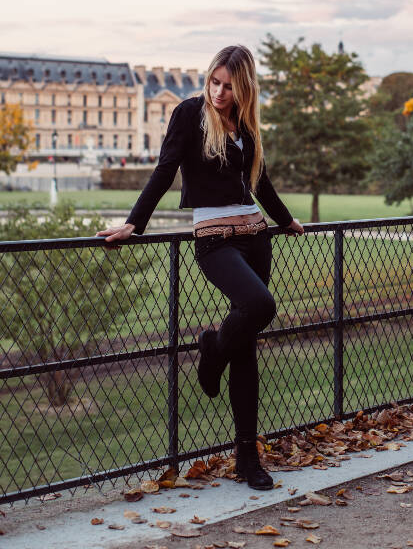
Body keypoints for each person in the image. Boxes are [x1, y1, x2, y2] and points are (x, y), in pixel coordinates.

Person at [97, 45, 304, 490]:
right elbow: (164, 168)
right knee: (260, 305)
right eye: (215, 82)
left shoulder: (245, 121)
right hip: (214, 241)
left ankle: (247, 459)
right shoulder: (189, 114)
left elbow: (259, 180)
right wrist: (135, 222)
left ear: (244, 86)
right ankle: (211, 351)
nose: (219, 92)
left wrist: (285, 220)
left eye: (229, 86)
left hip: (255, 236)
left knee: (246, 350)